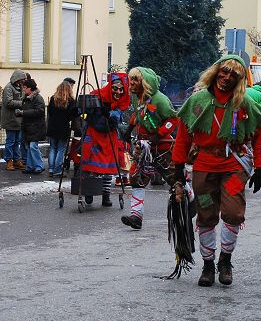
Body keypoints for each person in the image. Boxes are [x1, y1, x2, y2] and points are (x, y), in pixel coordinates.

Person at [172, 54, 261, 287]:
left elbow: (260, 135)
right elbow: (183, 138)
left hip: (234, 167)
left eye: (233, 75)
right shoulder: (197, 102)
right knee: (206, 215)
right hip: (204, 167)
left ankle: (225, 261)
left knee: (234, 213)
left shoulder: (244, 104)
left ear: (239, 80)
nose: (226, 78)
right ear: (215, 72)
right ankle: (208, 265)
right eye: (223, 72)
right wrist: (177, 170)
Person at [121, 67, 177, 229]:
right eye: (130, 79)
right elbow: (140, 114)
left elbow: (172, 120)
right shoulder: (139, 99)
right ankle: (136, 217)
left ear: (145, 83)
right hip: (143, 146)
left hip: (162, 146)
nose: (131, 83)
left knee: (174, 179)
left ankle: (190, 201)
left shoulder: (159, 100)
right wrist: (129, 130)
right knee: (136, 178)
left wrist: (158, 135)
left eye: (135, 80)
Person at [80, 72, 129, 206]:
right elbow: (84, 110)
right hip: (95, 134)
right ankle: (89, 192)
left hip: (109, 136)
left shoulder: (122, 101)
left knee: (108, 167)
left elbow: (118, 116)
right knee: (91, 166)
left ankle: (105, 195)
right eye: (115, 88)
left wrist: (115, 116)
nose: (118, 92)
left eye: (121, 89)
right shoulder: (97, 94)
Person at [46, 80, 77, 178]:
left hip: (52, 126)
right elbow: (72, 115)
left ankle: (51, 169)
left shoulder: (53, 98)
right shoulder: (70, 100)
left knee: (53, 148)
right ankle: (57, 170)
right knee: (61, 149)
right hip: (63, 127)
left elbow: (49, 112)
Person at [17, 78, 47, 174]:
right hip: (28, 127)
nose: (23, 89)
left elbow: (39, 111)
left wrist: (23, 112)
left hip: (36, 127)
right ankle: (30, 167)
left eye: (25, 88)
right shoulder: (27, 98)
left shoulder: (38, 98)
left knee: (33, 146)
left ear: (30, 88)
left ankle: (39, 165)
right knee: (29, 147)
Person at [1, 69, 27, 170]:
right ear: (18, 78)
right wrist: (22, 103)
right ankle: (9, 161)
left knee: (17, 141)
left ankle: (16, 160)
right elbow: (8, 102)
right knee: (10, 141)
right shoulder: (8, 88)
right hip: (11, 119)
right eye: (22, 79)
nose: (23, 81)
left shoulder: (20, 87)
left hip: (19, 119)